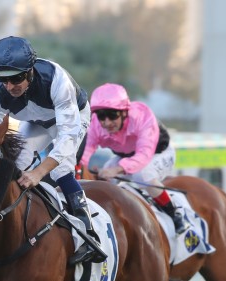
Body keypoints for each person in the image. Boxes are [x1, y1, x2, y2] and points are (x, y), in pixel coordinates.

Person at [0, 36, 105, 265]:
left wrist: (39, 173)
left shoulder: (56, 80)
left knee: (60, 170)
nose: (9, 86)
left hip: (70, 121)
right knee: (13, 165)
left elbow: (67, 137)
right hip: (36, 123)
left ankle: (89, 234)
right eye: (3, 80)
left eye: (16, 78)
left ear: (30, 71)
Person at [78, 83, 184, 234]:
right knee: (104, 181)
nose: (107, 122)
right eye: (101, 116)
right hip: (126, 156)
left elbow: (144, 155)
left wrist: (117, 169)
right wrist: (80, 170)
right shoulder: (95, 125)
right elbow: (84, 154)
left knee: (143, 175)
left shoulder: (142, 116)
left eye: (112, 115)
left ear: (124, 112)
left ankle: (174, 214)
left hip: (157, 153)